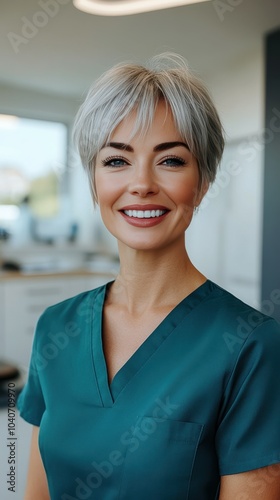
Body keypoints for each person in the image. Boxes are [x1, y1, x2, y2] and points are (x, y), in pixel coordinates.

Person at [17, 53, 280, 500]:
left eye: (171, 161)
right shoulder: (56, 328)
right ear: (94, 181)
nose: (141, 183)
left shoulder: (252, 345)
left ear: (201, 182)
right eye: (116, 161)